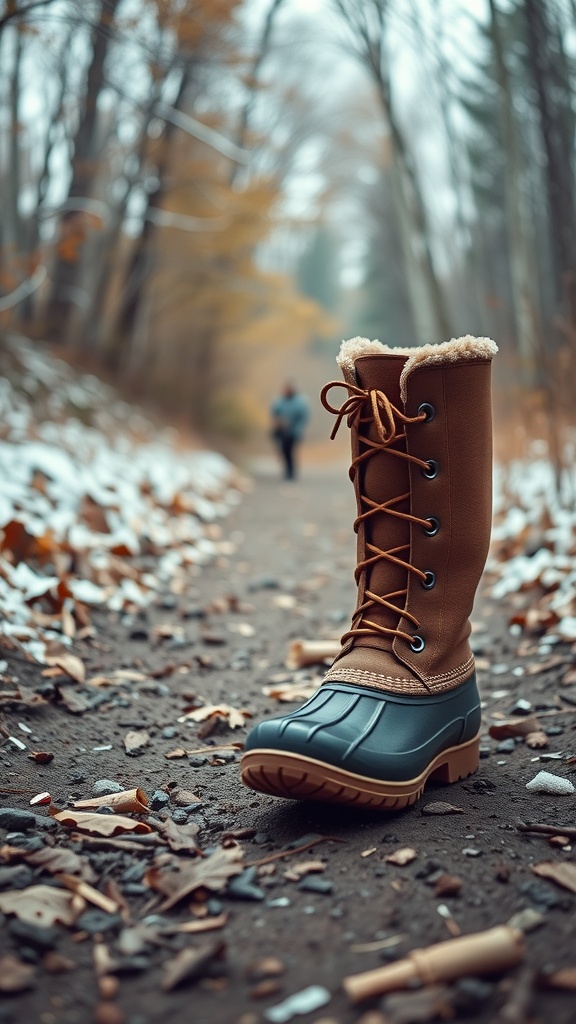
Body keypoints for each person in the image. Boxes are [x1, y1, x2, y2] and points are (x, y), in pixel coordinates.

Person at [270, 381, 309, 480]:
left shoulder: (299, 402)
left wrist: (297, 429)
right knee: (284, 451)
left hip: (294, 431)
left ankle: (291, 471)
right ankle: (287, 470)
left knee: (290, 451)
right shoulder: (280, 401)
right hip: (283, 431)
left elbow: (302, 417)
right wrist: (279, 422)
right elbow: (275, 413)